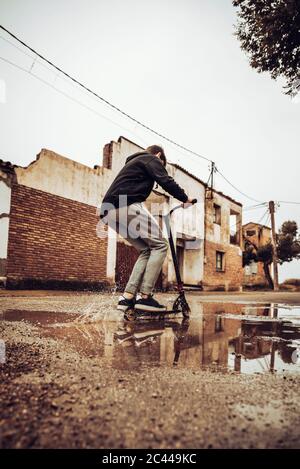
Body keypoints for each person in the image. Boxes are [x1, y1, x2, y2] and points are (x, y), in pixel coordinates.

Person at [100, 145, 194, 313]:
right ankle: (145, 297)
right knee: (160, 245)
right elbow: (166, 181)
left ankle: (127, 297)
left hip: (108, 211)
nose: (160, 167)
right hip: (126, 204)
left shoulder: (133, 163)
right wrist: (185, 198)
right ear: (159, 155)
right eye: (162, 164)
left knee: (145, 250)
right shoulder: (151, 158)